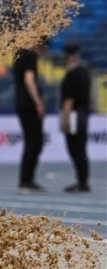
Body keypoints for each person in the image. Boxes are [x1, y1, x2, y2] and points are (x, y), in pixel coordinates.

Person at [13, 37, 48, 194]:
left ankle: (26, 179)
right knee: (35, 142)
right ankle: (26, 180)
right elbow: (29, 80)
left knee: (32, 142)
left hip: (21, 103)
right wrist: (38, 102)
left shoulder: (19, 55)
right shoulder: (30, 55)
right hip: (29, 104)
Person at [59, 43, 91, 193]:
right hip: (83, 113)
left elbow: (68, 101)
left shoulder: (72, 75)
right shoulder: (84, 72)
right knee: (81, 149)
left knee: (75, 149)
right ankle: (83, 180)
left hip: (73, 114)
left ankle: (81, 182)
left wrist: (64, 120)